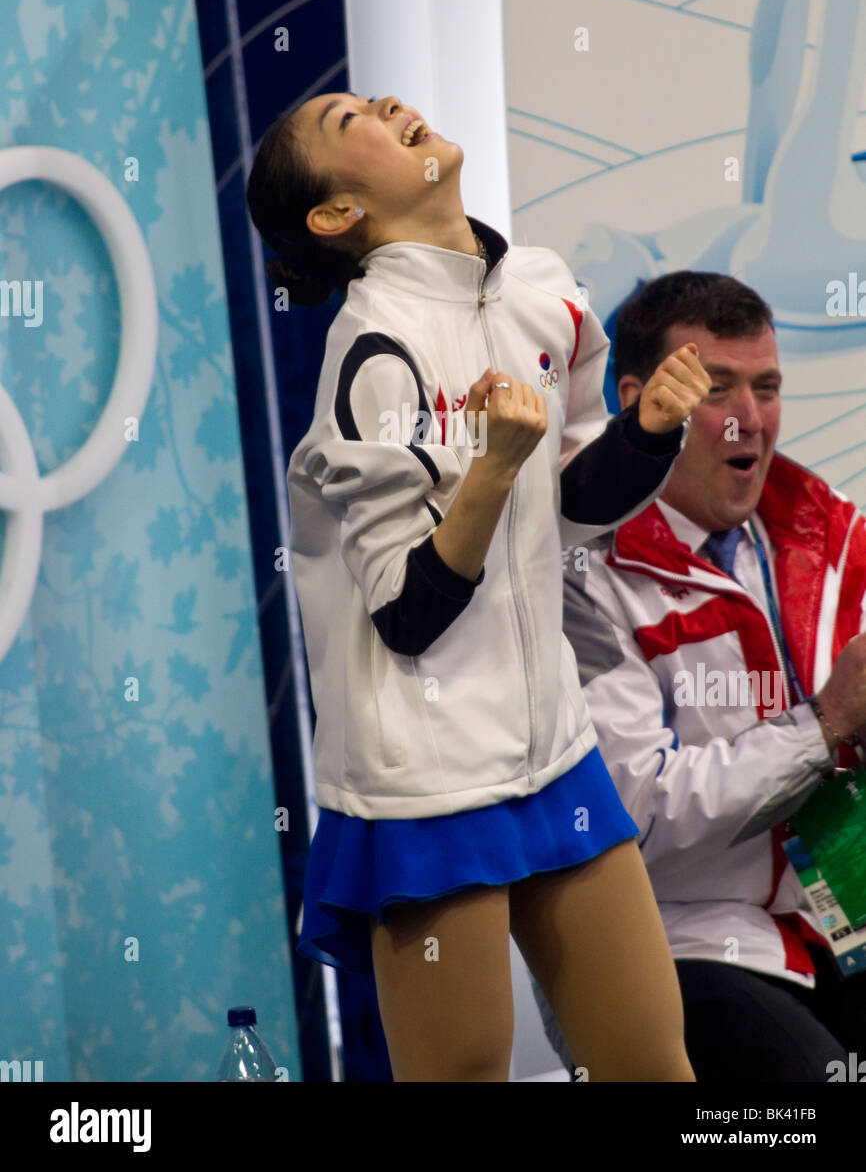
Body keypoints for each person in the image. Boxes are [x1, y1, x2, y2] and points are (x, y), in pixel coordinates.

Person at [246, 93, 710, 1082]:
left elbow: (573, 506)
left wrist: (646, 435)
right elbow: (407, 613)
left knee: (652, 1067)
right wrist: (495, 465)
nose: (386, 104)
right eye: (349, 120)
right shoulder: (370, 355)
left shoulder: (542, 288)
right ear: (336, 216)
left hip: (554, 751)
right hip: (424, 784)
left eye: (375, 96)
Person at [536, 270, 866, 1082]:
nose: (749, 418)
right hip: (672, 948)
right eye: (716, 388)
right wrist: (823, 726)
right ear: (640, 400)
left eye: (768, 386)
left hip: (835, 929)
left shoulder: (829, 536)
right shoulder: (581, 572)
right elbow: (635, 820)